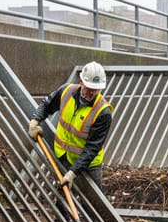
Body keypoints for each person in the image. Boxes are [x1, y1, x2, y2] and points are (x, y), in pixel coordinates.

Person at [28, 61, 113, 190]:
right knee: (63, 194)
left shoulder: (103, 112)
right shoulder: (66, 91)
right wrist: (35, 120)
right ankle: (62, 210)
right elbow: (47, 105)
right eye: (88, 88)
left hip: (89, 164)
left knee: (94, 203)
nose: (91, 93)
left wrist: (73, 172)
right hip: (64, 155)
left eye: (95, 90)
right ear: (81, 82)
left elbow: (92, 148)